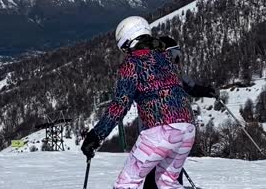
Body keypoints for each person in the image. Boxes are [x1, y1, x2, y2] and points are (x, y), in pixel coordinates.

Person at [81, 16, 196, 189]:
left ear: (127, 42)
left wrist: (96, 136)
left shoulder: (132, 63)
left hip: (160, 132)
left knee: (127, 183)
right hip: (187, 130)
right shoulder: (167, 58)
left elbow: (120, 105)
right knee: (167, 182)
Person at [143, 36, 219, 189]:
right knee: (157, 174)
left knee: (169, 174)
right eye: (175, 55)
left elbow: (190, 87)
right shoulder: (150, 74)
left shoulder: (174, 73)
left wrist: (206, 91)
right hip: (157, 134)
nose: (178, 60)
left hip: (173, 133)